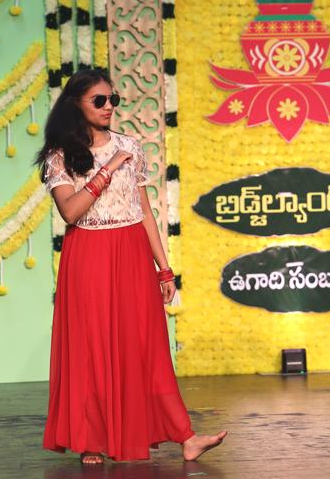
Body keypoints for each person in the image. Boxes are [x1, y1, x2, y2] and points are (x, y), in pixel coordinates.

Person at [37, 69, 226, 464]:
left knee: (147, 347)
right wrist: (106, 170)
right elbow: (70, 212)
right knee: (92, 348)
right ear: (76, 103)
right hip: (89, 254)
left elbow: (144, 211)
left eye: (113, 100)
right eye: (99, 100)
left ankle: (186, 436)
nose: (109, 107)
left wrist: (164, 268)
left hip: (132, 253)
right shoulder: (61, 155)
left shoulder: (130, 147)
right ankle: (91, 440)